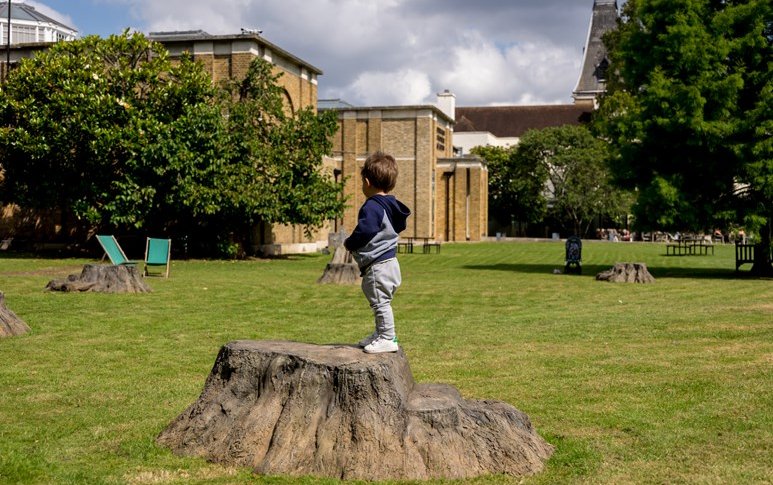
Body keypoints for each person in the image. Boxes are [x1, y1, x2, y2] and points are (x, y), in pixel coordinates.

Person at [345, 151, 411, 354]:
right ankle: (380, 333)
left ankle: (387, 337)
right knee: (380, 301)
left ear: (367, 181)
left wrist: (350, 243)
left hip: (378, 266)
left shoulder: (372, 206)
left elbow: (366, 230)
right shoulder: (390, 206)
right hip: (389, 263)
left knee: (381, 303)